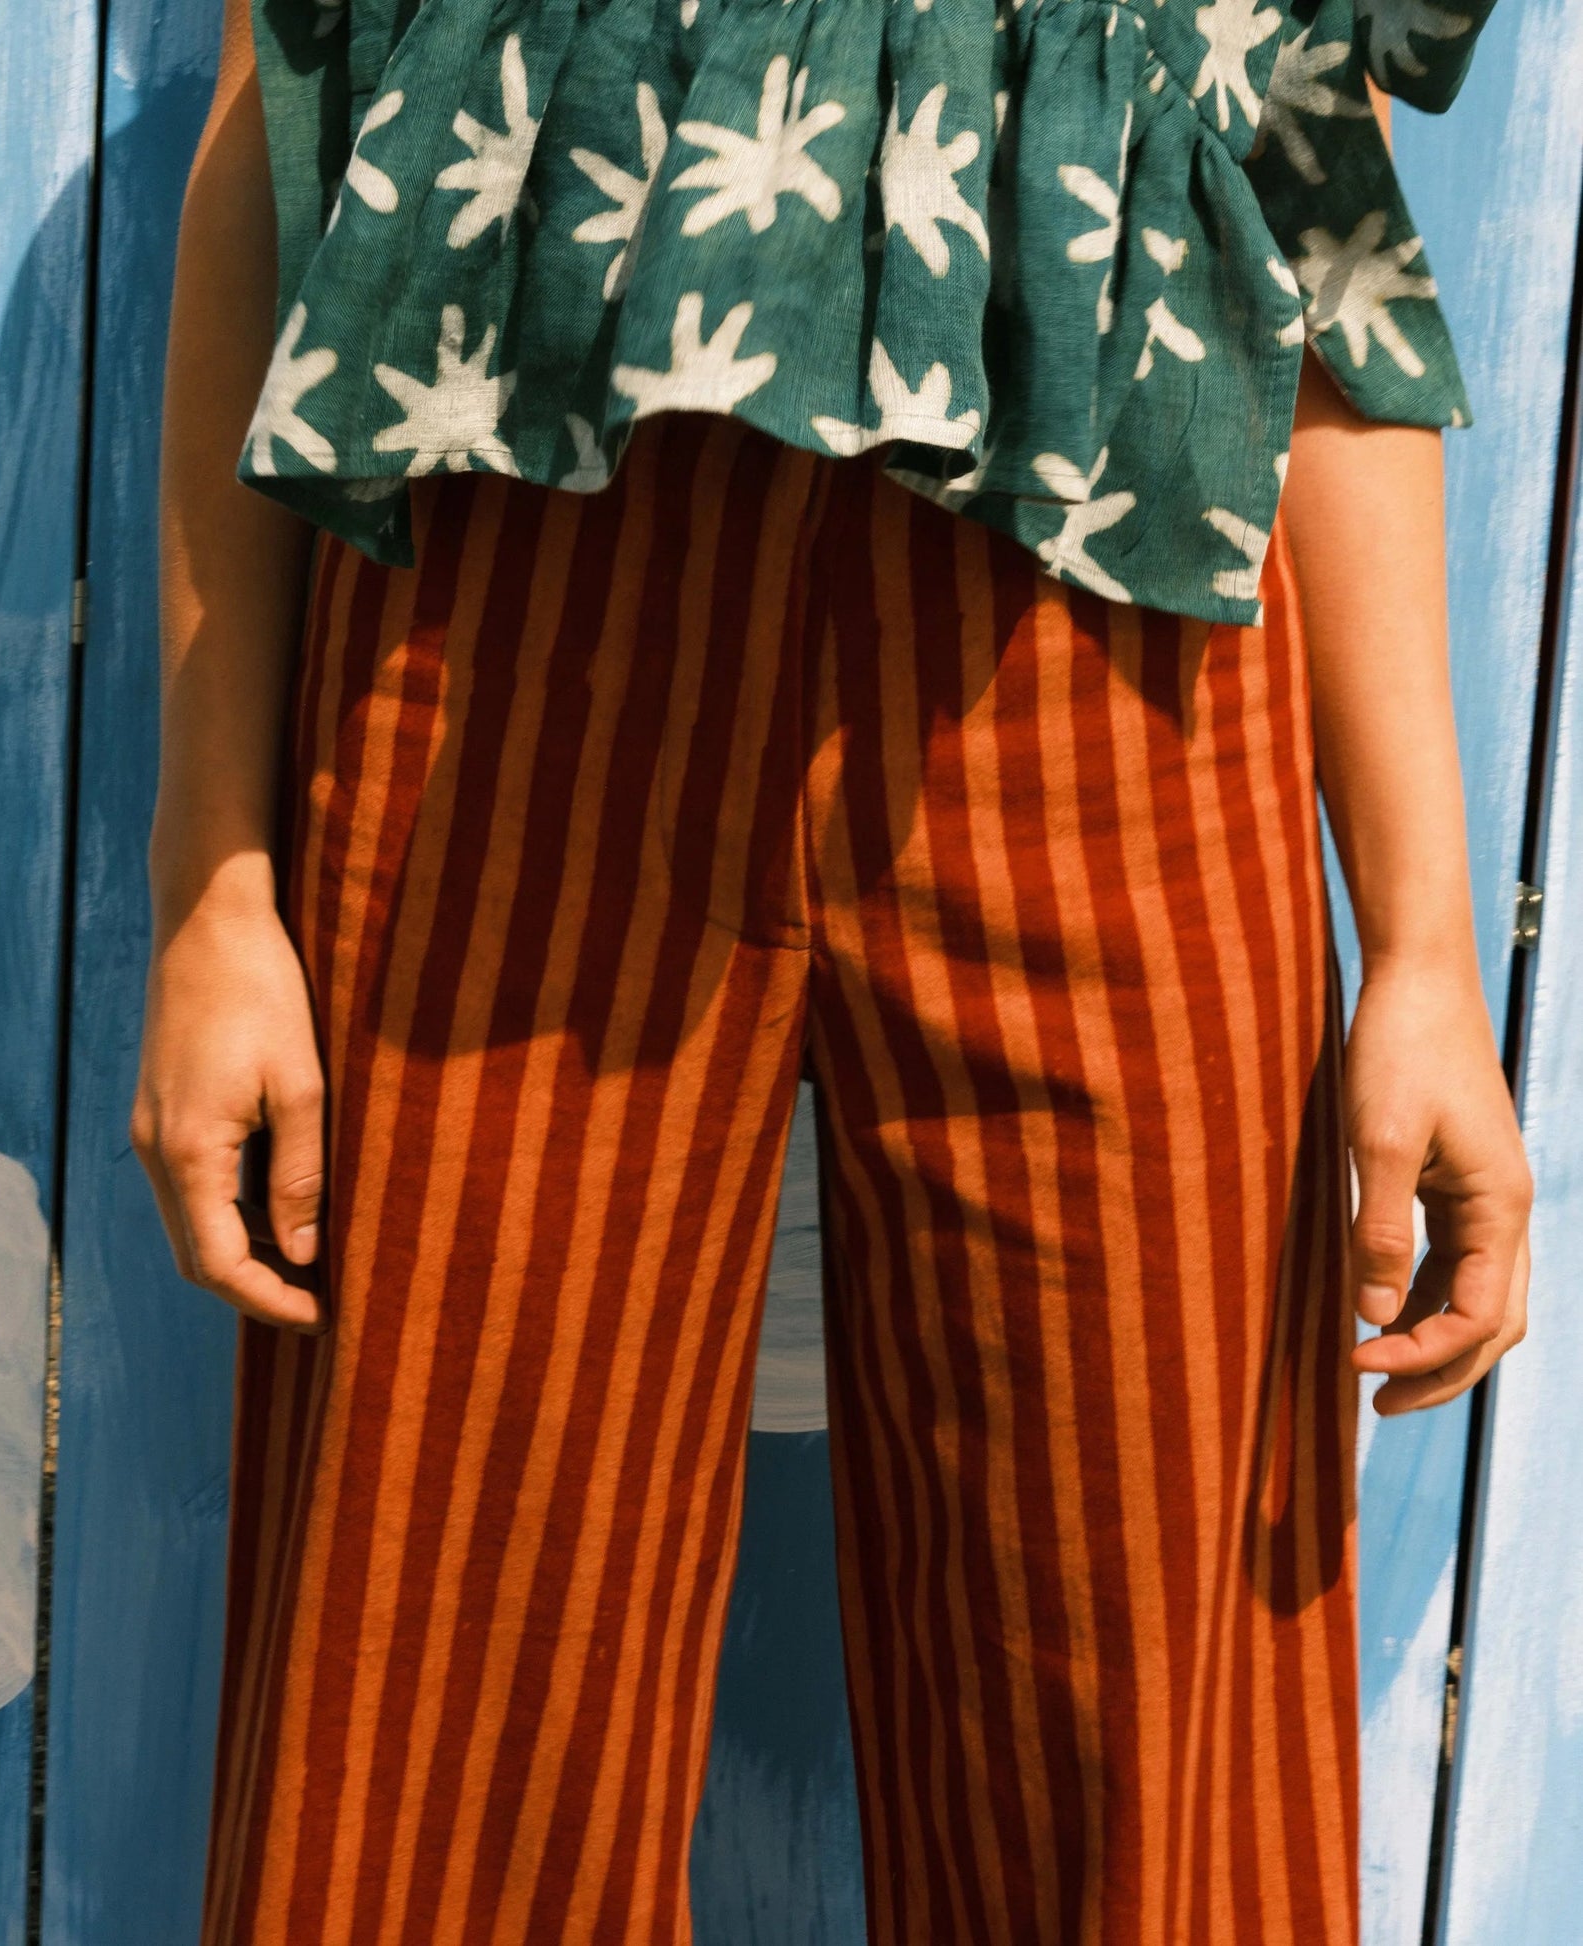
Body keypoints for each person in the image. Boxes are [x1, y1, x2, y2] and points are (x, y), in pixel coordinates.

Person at [132, 0, 1531, 1933]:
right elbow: (280, 124)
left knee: (1140, 1798)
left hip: (1104, 639)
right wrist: (212, 884)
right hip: (521, 646)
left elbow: (1311, 183)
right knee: (417, 1762)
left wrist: (1429, 956)